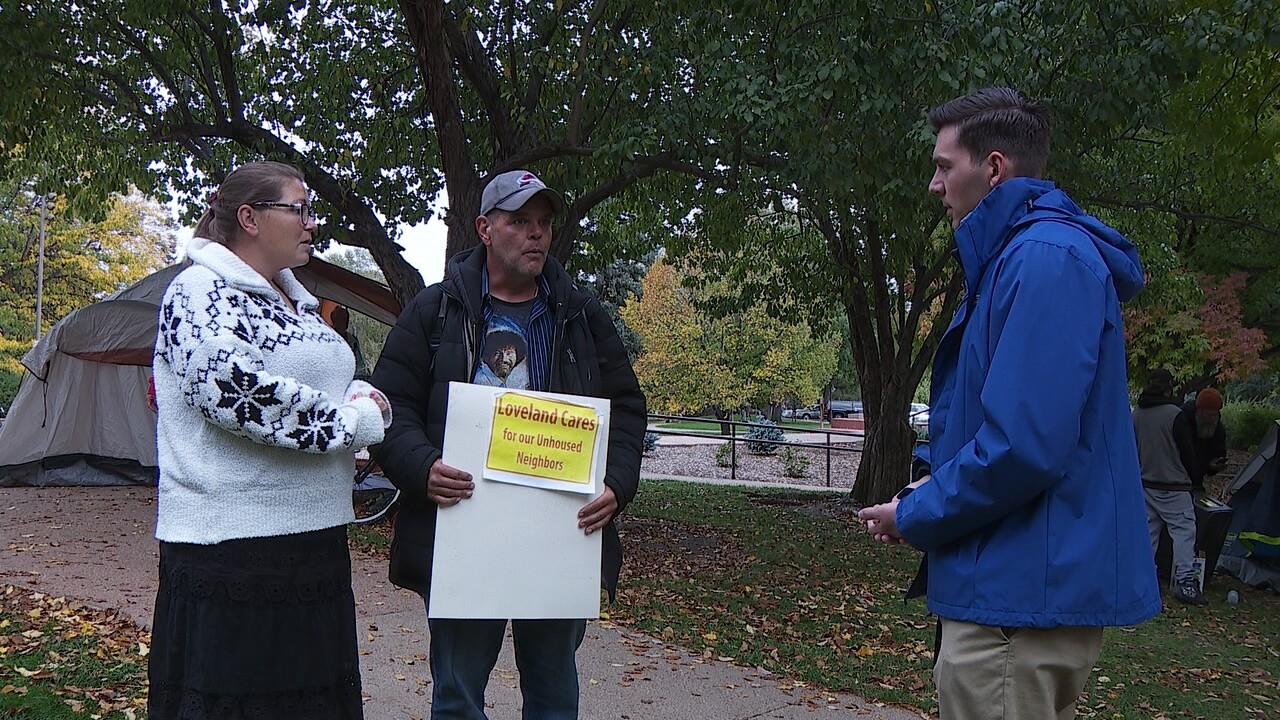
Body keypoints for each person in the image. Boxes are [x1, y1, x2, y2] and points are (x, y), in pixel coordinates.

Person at [857, 87, 1161, 720]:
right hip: (1005, 595)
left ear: (993, 168)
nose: (935, 186)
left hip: (1016, 606)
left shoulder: (1044, 261)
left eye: (945, 167)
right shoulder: (1016, 261)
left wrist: (915, 513)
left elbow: (1021, 447)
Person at [371, 168, 646, 720]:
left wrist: (617, 483)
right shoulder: (434, 310)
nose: (536, 234)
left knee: (552, 693)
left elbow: (627, 409)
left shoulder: (579, 314)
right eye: (520, 221)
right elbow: (388, 407)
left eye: (543, 222)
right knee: (458, 695)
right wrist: (422, 466)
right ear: (485, 228)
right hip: (462, 536)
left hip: (558, 537)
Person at [148, 161, 391, 720]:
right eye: (299, 208)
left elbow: (329, 376)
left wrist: (364, 396)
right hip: (232, 555)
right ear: (249, 217)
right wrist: (351, 423)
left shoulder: (298, 301)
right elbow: (234, 392)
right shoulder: (199, 289)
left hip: (314, 547)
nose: (312, 223)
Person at [1134, 368, 1208, 605]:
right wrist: (1196, 476)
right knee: (1184, 532)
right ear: (1168, 387)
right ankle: (1185, 582)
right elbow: (1186, 452)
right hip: (1174, 485)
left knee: (1149, 535)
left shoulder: (1136, 414)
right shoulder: (1174, 414)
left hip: (1146, 483)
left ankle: (1145, 580)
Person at [1180, 387, 1228, 493]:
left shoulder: (1217, 428)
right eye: (1209, 414)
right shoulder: (1182, 422)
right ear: (1199, 411)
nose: (1211, 418)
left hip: (1196, 482)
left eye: (1215, 414)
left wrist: (1213, 465)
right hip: (1176, 480)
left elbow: (1217, 453)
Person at [330, 305, 371, 379]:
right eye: (340, 320)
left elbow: (360, 365)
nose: (344, 323)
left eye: (345, 320)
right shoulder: (329, 338)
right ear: (334, 322)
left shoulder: (353, 340)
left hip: (352, 375)